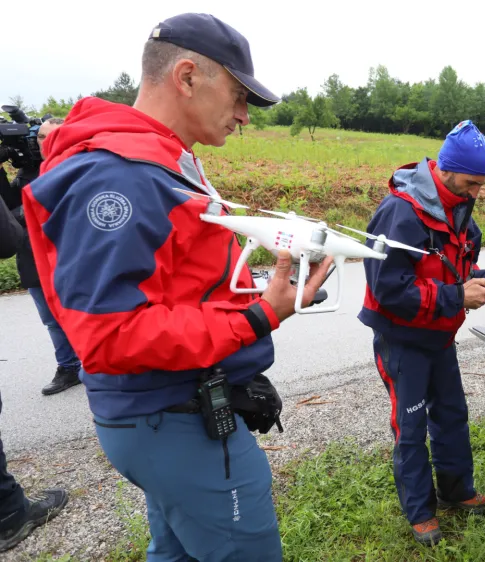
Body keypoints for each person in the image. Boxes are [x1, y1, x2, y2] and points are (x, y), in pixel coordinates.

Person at [21, 13, 332, 561]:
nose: (242, 116)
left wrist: (266, 292)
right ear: (187, 76)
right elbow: (110, 334)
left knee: (176, 550)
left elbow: (172, 284)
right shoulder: (119, 175)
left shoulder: (162, 159)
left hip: (171, 410)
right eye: (238, 95)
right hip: (172, 416)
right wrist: (258, 318)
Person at [358, 120, 485, 546]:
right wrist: (457, 296)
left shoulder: (461, 209)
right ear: (446, 170)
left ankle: (457, 492)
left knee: (452, 416)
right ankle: (421, 512)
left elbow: (457, 272)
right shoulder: (401, 212)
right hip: (402, 340)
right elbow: (388, 289)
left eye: (482, 185)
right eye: (471, 183)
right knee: (410, 428)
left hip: (440, 336)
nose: (477, 193)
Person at [0, 185, 68, 553]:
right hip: (34, 266)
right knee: (53, 323)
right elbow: (8, 233)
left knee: (64, 321)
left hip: (54, 264)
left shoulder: (60, 171)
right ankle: (10, 513)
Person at [0, 117, 82, 396]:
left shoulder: (79, 166)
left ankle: (96, 363)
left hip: (69, 257)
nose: (45, 143)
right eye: (41, 137)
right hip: (33, 257)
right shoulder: (26, 173)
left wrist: (27, 214)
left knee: (81, 313)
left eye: (52, 136)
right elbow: (9, 211)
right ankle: (69, 366)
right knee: (50, 319)